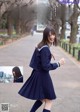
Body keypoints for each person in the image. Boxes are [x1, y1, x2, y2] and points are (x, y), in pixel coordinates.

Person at [18, 27, 65, 112]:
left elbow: (38, 60)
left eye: (53, 34)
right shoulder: (45, 48)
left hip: (37, 74)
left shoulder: (40, 46)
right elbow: (46, 66)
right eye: (49, 35)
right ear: (45, 36)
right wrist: (59, 63)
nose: (52, 37)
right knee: (49, 100)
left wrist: (49, 54)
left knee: (42, 98)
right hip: (43, 76)